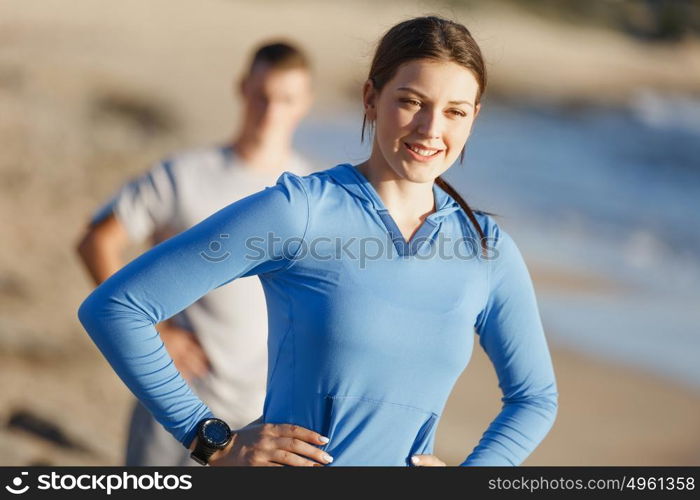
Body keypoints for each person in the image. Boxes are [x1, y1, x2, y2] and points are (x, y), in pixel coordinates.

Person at [78, 16, 558, 467]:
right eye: (411, 101)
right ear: (371, 98)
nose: (431, 129)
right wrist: (212, 441)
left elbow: (534, 398)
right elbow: (116, 308)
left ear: (473, 117)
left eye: (454, 111)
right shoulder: (299, 211)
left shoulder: (484, 249)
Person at [75, 40, 315, 466]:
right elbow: (97, 240)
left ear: (305, 103)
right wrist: (159, 333)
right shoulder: (185, 174)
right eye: (262, 96)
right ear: (243, 89)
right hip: (177, 401)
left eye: (286, 100)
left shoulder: (312, 189)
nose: (271, 111)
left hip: (266, 413)